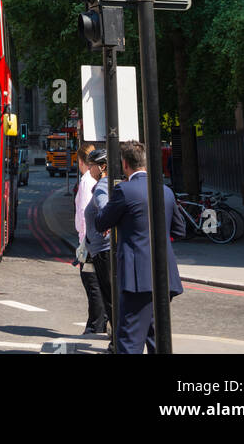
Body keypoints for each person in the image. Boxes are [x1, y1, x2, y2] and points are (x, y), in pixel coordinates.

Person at [94, 139, 185, 355]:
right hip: (164, 276)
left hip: (137, 278)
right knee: (157, 338)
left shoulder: (124, 191)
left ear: (125, 164)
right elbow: (180, 230)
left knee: (129, 340)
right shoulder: (166, 191)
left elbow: (101, 222)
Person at [74, 140, 107, 335]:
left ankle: (95, 326)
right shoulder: (95, 180)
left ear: (81, 161)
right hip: (93, 241)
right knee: (97, 284)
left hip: (89, 242)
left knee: (92, 283)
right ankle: (97, 323)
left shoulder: (87, 181)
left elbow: (86, 214)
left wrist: (84, 245)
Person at [85, 149, 112, 334]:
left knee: (109, 298)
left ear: (102, 167)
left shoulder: (102, 186)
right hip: (101, 250)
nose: (89, 168)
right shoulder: (106, 184)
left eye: (92, 165)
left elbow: (105, 210)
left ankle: (116, 342)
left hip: (104, 252)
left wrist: (105, 227)